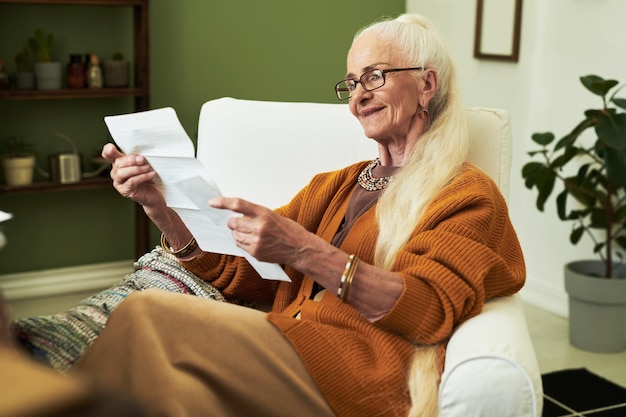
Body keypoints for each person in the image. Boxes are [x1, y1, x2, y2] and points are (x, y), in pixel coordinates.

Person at [12, 12, 525, 417]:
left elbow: (431, 311)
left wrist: (305, 250)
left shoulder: (464, 194)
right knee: (170, 388)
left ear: (427, 85)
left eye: (375, 76)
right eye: (352, 82)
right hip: (288, 348)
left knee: (146, 315)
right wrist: (159, 207)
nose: (359, 96)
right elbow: (240, 276)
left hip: (360, 378)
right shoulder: (336, 185)